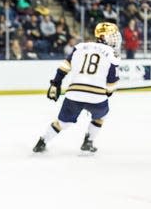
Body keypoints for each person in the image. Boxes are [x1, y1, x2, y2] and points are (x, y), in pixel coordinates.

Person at [33, 22, 121, 154]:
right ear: (102, 37)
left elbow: (64, 67)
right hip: (96, 97)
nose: (115, 39)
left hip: (74, 93)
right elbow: (111, 83)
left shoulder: (80, 47)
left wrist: (55, 83)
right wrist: (109, 92)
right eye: (112, 36)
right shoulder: (112, 53)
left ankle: (42, 142)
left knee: (62, 123)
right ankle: (88, 142)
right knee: (100, 116)